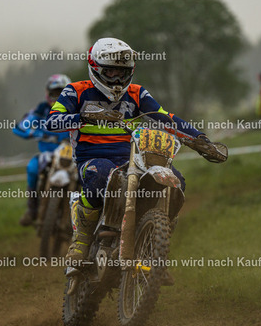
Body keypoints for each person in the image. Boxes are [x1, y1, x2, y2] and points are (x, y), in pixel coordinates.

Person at [44, 37, 209, 265]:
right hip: (92, 157)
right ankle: (81, 241)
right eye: (110, 72)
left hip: (134, 157)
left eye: (122, 72)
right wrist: (83, 117)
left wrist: (199, 139)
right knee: (100, 174)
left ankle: (154, 240)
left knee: (175, 181)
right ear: (95, 68)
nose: (116, 79)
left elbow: (165, 117)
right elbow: (52, 121)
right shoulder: (76, 91)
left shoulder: (137, 93)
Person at [13, 74, 71, 226]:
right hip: (48, 155)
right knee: (32, 168)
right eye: (54, 93)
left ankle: (89, 216)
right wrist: (32, 132)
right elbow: (20, 126)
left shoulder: (75, 110)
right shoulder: (41, 110)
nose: (57, 97)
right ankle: (32, 210)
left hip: (72, 155)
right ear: (48, 93)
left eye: (61, 93)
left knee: (88, 175)